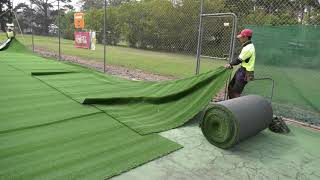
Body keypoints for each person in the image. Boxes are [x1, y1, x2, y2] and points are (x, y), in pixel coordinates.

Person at [225, 29, 255, 99]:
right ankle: (231, 103)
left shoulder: (248, 48)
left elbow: (239, 60)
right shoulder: (247, 46)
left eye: (242, 37)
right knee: (231, 87)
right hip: (242, 70)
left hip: (246, 72)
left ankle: (235, 107)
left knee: (236, 92)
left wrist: (230, 64)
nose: (240, 38)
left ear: (246, 37)